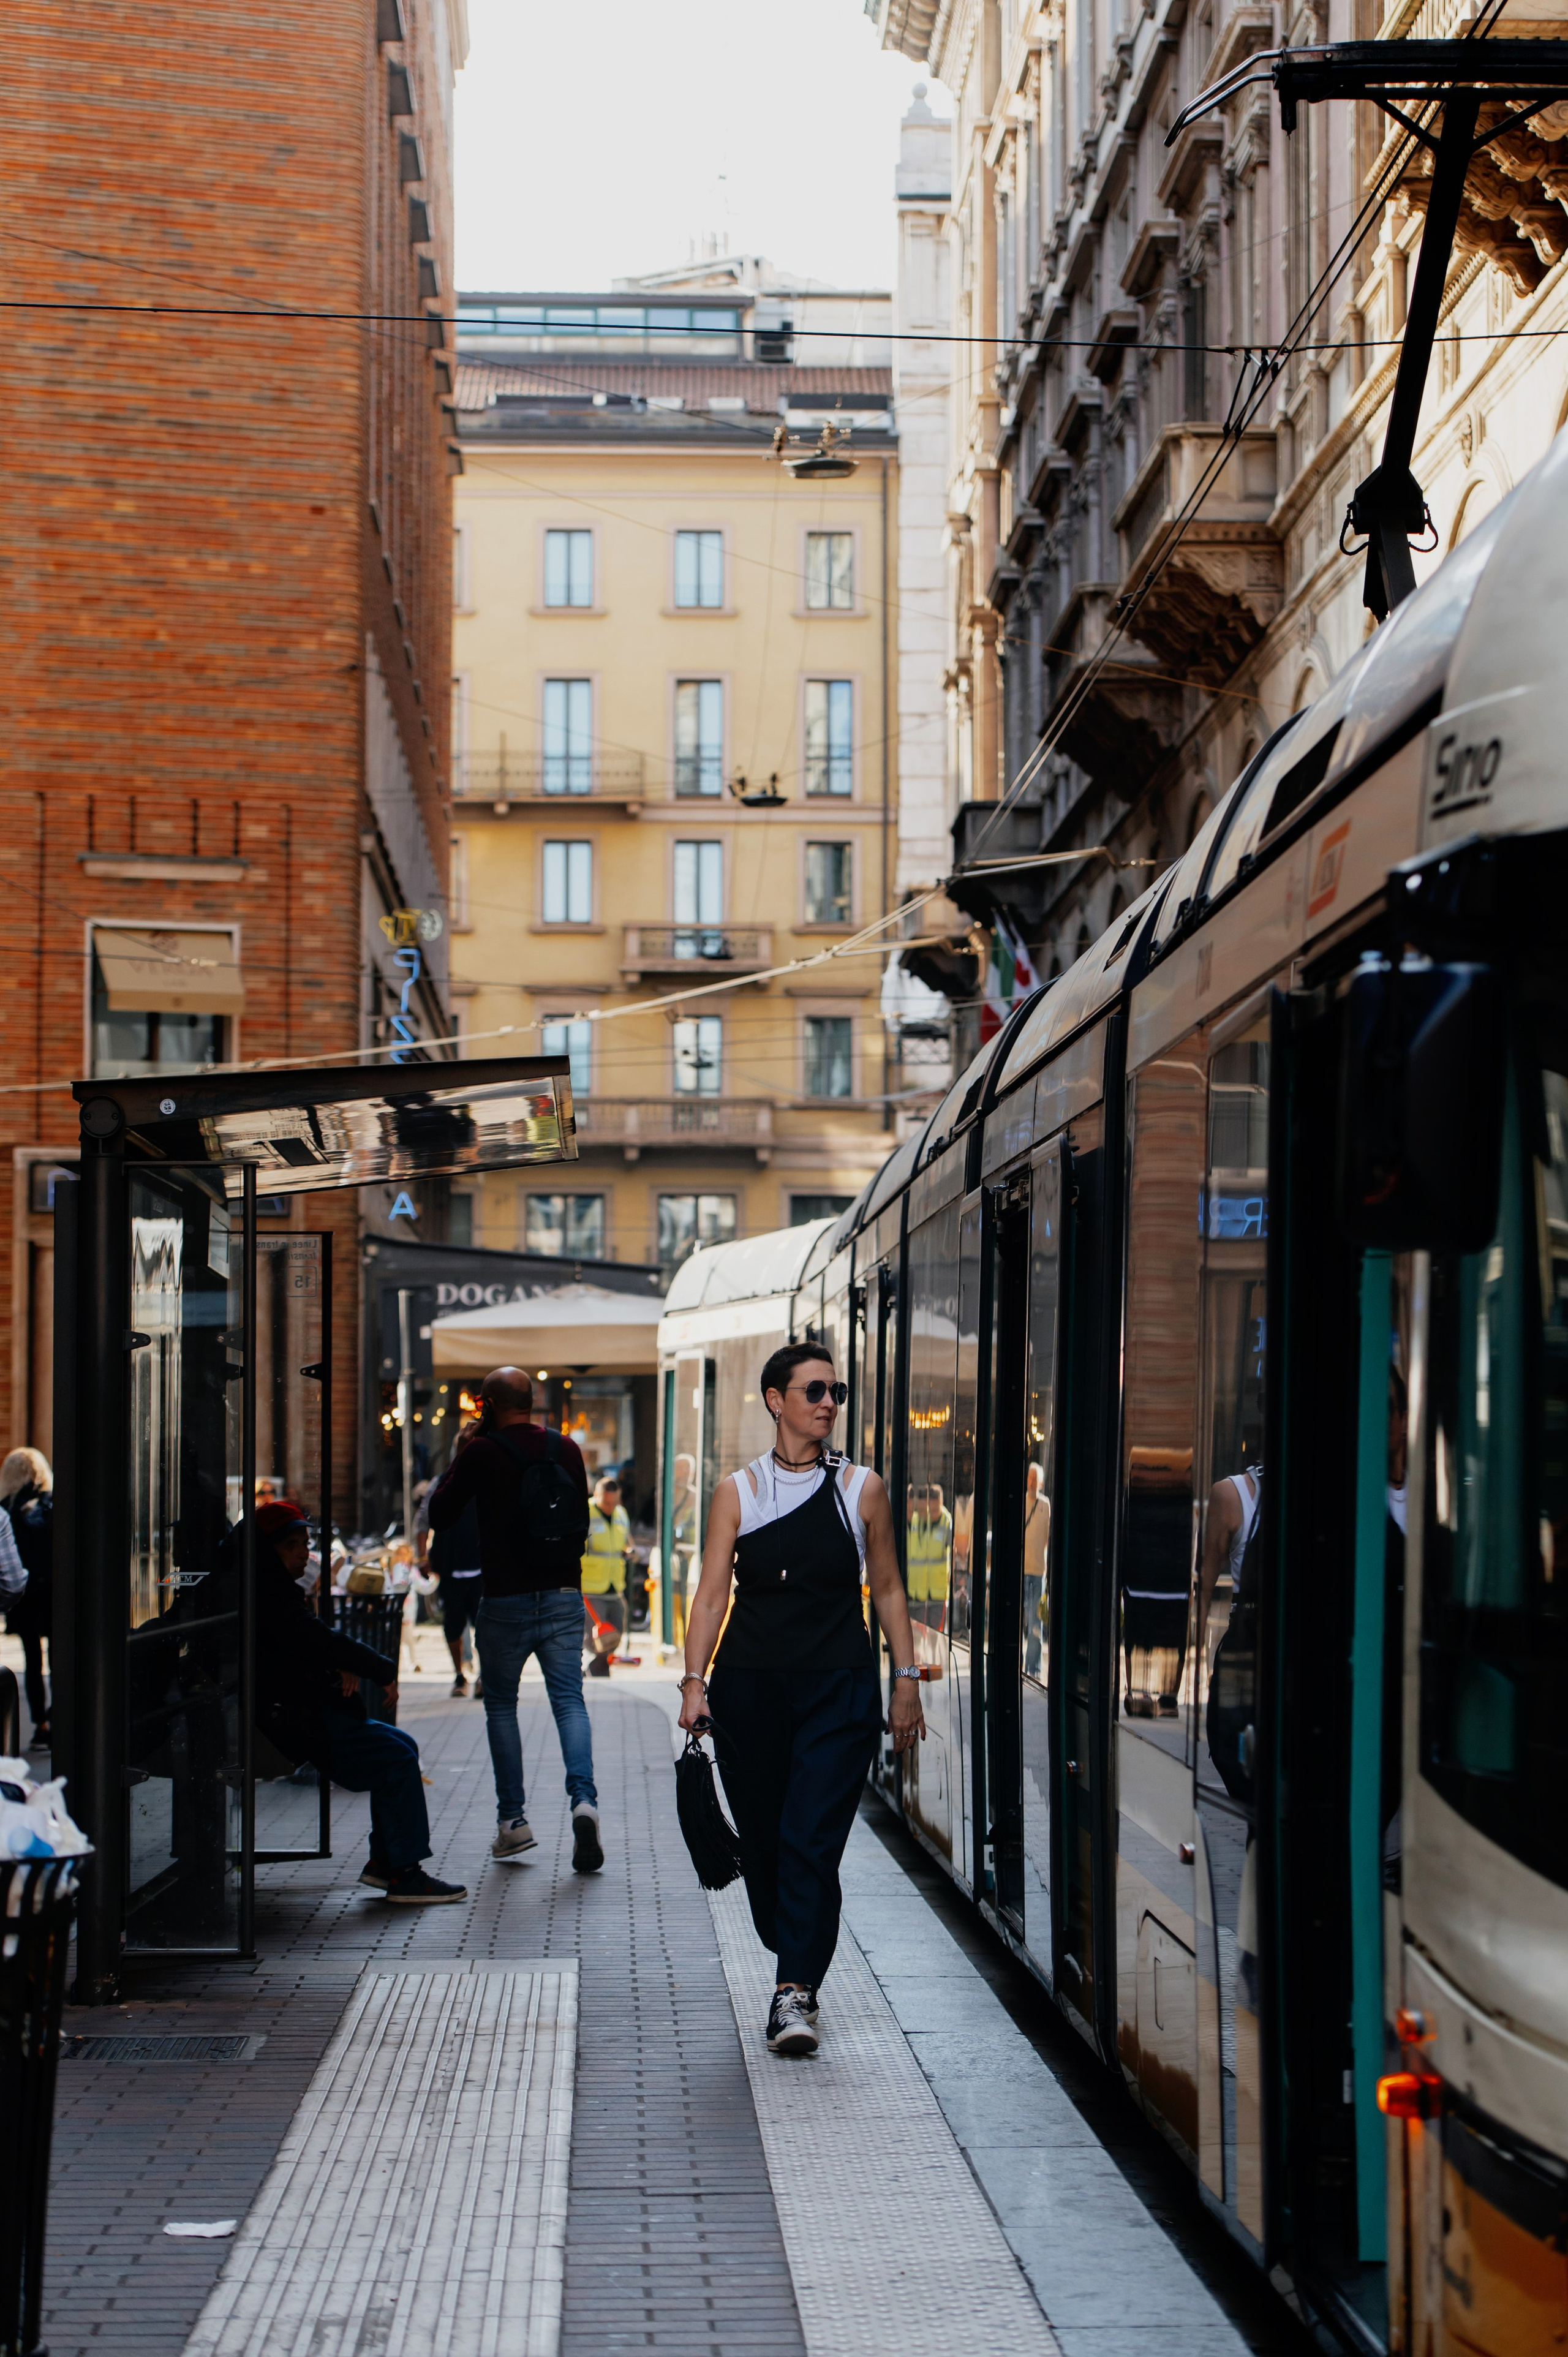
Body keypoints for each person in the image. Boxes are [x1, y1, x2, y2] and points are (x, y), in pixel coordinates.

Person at [679, 1343, 926, 2059]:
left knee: (810, 1838)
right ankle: (790, 1942)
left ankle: (795, 1990)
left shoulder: (860, 1488)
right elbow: (712, 1594)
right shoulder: (738, 1491)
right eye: (814, 1390)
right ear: (774, 1399)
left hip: (838, 1691)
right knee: (763, 1843)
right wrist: (694, 1681)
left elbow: (888, 1586)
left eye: (834, 1391)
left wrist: (905, 1677)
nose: (827, 1402)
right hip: (749, 1691)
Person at [214, 1500, 466, 1904]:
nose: (303, 1553)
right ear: (266, 1551)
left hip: (292, 1710)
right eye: (292, 1545)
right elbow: (313, 1640)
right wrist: (378, 1668)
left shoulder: (267, 1587)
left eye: (306, 1543)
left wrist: (335, 1665)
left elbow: (304, 1646)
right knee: (396, 1758)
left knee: (403, 1746)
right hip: (286, 1719)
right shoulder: (266, 1592)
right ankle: (404, 1872)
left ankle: (387, 1863)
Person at [427, 1367, 603, 1872]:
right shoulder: (565, 1448)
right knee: (569, 1701)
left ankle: (513, 1821)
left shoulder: (481, 1452)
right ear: (531, 1401)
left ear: (486, 1405)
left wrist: (465, 1451)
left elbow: (440, 1514)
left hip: (505, 1600)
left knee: (502, 1706)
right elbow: (581, 1522)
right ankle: (584, 1802)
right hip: (564, 1594)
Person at [0, 1449, 53, 1749]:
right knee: (60, 1661)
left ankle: (41, 1726)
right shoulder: (54, 1504)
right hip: (54, 1594)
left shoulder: (5, 1509)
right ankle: (59, 1718)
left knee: (32, 1661)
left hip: (25, 1598)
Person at [420, 1463, 484, 1697]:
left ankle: (483, 1676)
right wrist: (422, 1557)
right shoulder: (442, 1482)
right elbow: (423, 1520)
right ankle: (459, 1676)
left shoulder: (486, 1479)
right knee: (453, 1628)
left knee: (484, 1628)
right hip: (450, 1568)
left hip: (481, 1569)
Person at [581, 1474, 631, 1679]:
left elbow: (626, 1539)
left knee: (616, 1632)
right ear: (596, 1495)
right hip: (591, 1587)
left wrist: (630, 1551)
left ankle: (596, 1668)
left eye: (614, 1502)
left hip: (615, 1585)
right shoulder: (585, 1512)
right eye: (606, 1503)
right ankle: (595, 1670)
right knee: (595, 1637)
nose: (610, 1507)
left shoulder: (621, 1513)